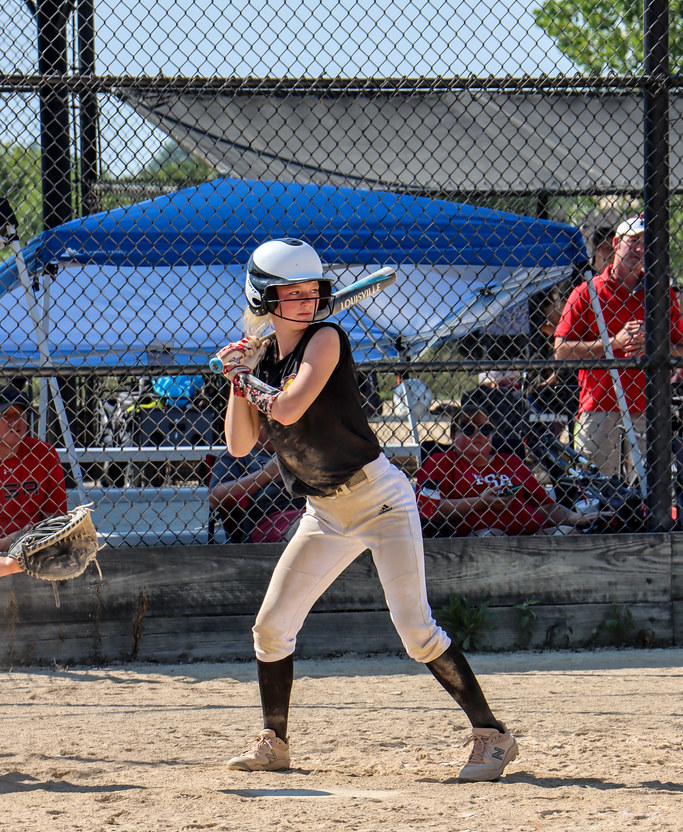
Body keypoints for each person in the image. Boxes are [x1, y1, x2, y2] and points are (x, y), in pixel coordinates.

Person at [220, 237, 518, 782]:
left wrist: (246, 380)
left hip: (379, 499)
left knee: (416, 633)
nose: (306, 302)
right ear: (263, 297)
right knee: (271, 627)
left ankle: (492, 735)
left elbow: (287, 406)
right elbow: (240, 445)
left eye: (312, 291)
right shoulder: (262, 358)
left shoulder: (327, 339)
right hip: (324, 511)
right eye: (290, 294)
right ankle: (275, 742)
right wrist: (239, 382)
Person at [554, 215, 683, 480]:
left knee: (649, 488)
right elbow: (561, 349)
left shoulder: (661, 293)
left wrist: (658, 345)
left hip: (649, 406)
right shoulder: (587, 291)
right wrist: (614, 343)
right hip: (599, 405)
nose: (640, 249)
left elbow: (680, 349)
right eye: (633, 240)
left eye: (647, 243)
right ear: (616, 243)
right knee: (597, 487)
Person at [416, 403, 598, 537]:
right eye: (469, 429)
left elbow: (545, 506)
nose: (478, 434)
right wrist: (480, 502)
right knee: (493, 536)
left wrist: (576, 518)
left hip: (530, 535)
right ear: (453, 434)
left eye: (485, 429)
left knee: (569, 533)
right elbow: (427, 508)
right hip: (479, 538)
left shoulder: (511, 461)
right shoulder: (441, 462)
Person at [0, 384, 68, 578]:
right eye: (7, 416)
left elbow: (56, 516)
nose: (16, 422)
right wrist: (5, 543)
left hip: (33, 549)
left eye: (21, 415)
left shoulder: (43, 454)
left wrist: (41, 537)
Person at [208, 425, 301, 542]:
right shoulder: (239, 453)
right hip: (270, 519)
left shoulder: (300, 450)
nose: (278, 428)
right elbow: (215, 497)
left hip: (310, 511)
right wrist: (266, 474)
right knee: (305, 528)